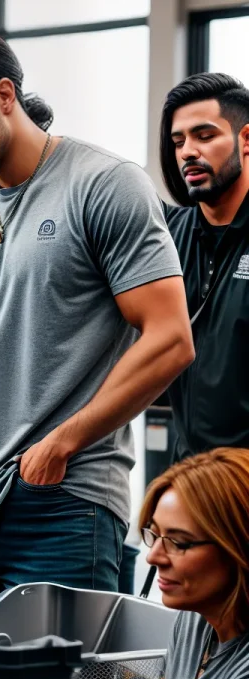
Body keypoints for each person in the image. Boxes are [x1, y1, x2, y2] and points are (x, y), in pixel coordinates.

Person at [0, 25, 195, 612]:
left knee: (63, 678)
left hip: (63, 499)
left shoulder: (105, 185)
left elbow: (170, 339)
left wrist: (62, 441)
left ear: (5, 95)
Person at [59, 448, 249, 679]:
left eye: (178, 542)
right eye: (155, 534)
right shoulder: (194, 620)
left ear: (239, 547)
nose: (153, 556)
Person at [159, 73, 249, 460]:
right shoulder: (164, 237)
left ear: (246, 140)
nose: (187, 152)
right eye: (178, 141)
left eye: (205, 136)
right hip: (188, 473)